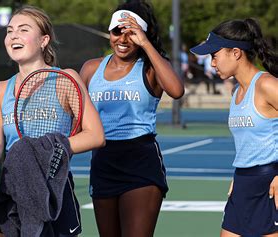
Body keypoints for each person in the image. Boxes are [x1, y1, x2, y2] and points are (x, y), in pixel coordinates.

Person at [0, 5, 105, 237]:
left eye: (23, 29)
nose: (14, 36)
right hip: (13, 188)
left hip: (54, 188)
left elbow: (96, 135)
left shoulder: (66, 78)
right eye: (10, 31)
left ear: (43, 40)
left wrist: (49, 149)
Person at [79, 1, 184, 236]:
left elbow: (176, 90)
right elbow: (77, 117)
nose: (123, 40)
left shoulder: (150, 68)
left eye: (132, 34)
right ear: (110, 32)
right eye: (117, 32)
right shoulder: (90, 68)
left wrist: (145, 44)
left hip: (141, 162)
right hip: (103, 162)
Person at [190, 18, 278, 237]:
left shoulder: (267, 85)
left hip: (270, 186)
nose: (212, 63)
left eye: (214, 55)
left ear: (236, 53)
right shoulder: (236, 92)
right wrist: (239, 177)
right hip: (242, 184)